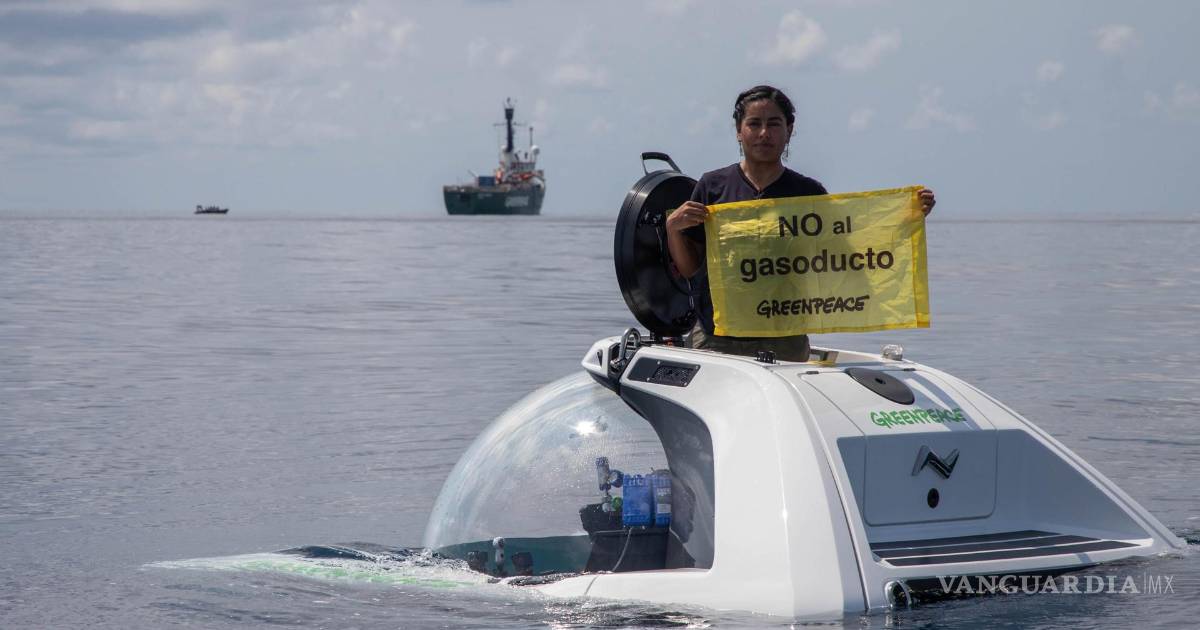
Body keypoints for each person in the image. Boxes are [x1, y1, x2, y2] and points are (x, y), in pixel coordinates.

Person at [666, 84, 936, 361]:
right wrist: (673, 229)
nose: (764, 133)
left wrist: (902, 221)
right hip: (717, 338)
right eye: (754, 124)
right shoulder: (713, 186)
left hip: (784, 339)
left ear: (789, 130)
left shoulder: (808, 194)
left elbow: (846, 258)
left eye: (774, 124)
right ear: (738, 130)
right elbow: (691, 269)